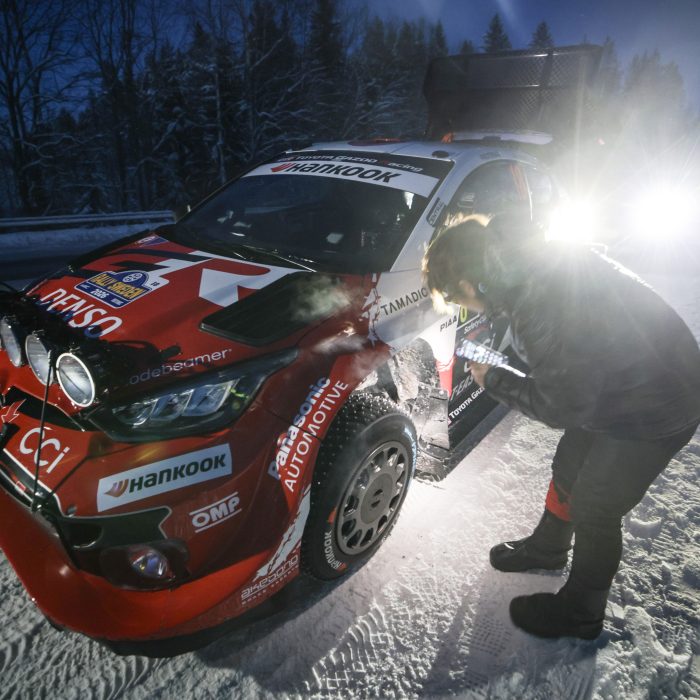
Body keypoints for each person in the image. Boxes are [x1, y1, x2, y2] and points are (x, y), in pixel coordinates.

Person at [422, 215, 700, 640]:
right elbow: (567, 358)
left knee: (595, 504)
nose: (461, 305)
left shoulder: (538, 303)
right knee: (570, 462)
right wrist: (510, 364)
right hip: (625, 381)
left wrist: (493, 380)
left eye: (452, 296)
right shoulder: (527, 268)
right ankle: (549, 549)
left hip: (658, 404)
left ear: (467, 282)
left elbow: (562, 406)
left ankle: (581, 613)